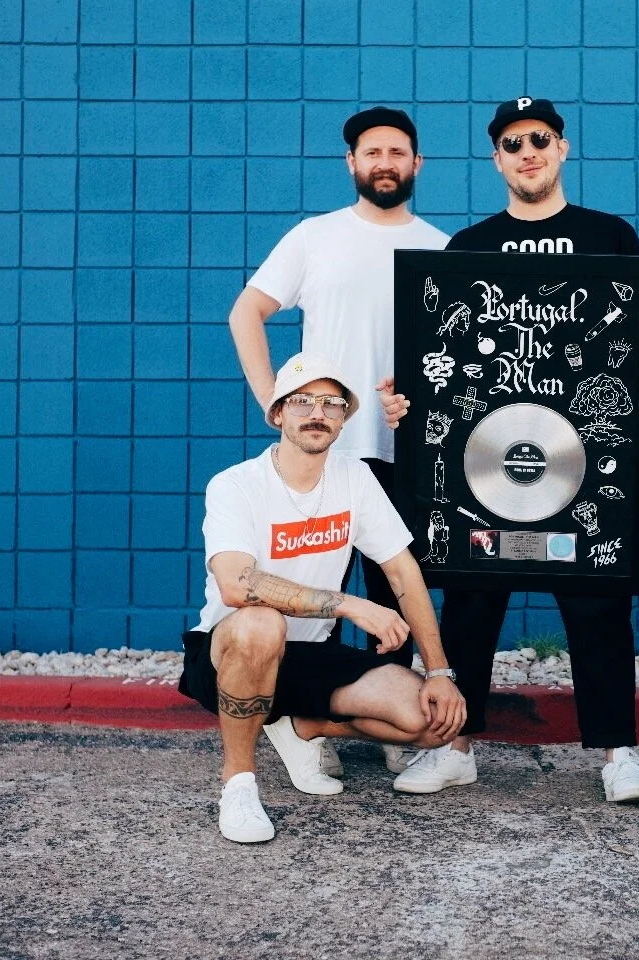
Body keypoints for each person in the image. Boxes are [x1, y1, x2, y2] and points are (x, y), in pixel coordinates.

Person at [378, 96, 639, 803]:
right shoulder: (468, 247)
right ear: (497, 159)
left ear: (563, 148)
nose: (527, 152)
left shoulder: (611, 236)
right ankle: (455, 744)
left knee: (597, 600)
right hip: (489, 458)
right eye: (512, 143)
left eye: (539, 138)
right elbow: (440, 359)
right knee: (471, 594)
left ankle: (617, 755)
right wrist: (406, 402)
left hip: (580, 458)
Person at [226, 107, 448, 774]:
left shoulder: (439, 248)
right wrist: (273, 396)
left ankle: (383, 725)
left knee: (393, 587)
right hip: (322, 449)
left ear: (417, 165)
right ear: (351, 163)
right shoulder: (315, 236)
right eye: (372, 151)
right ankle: (298, 721)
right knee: (303, 588)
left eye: (398, 151)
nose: (385, 161)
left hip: (405, 448)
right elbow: (247, 311)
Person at [178, 352, 466, 843]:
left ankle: (303, 725)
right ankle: (239, 785)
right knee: (260, 623)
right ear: (277, 413)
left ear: (345, 418)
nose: (318, 413)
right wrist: (350, 604)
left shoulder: (354, 477)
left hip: (309, 653)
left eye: (332, 404)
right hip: (228, 654)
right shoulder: (236, 485)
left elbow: (402, 570)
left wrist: (439, 672)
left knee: (432, 721)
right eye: (303, 401)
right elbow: (237, 584)